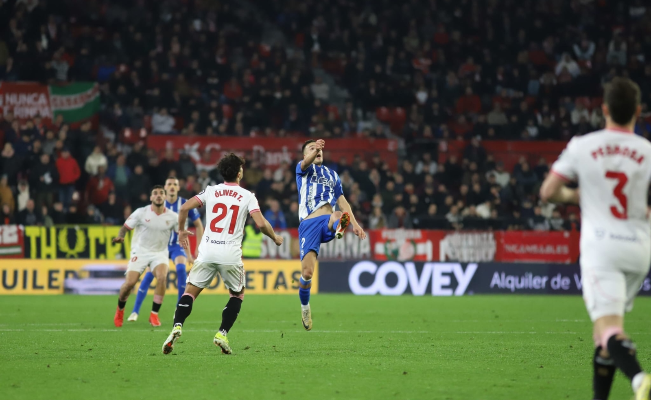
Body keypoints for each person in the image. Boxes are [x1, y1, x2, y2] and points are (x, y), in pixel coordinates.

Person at [540, 77, 651, 400]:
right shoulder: (647, 151)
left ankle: (640, 379)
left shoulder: (583, 146)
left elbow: (548, 191)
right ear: (638, 111)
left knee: (610, 330)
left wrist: (578, 196)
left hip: (602, 249)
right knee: (601, 336)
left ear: (603, 110)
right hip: (641, 250)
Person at [162, 153, 283, 355]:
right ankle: (222, 334)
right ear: (239, 173)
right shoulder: (247, 196)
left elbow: (183, 207)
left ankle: (177, 326)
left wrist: (181, 230)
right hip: (230, 254)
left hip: (207, 250)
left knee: (190, 292)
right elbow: (261, 224)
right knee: (237, 294)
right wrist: (275, 238)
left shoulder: (211, 191)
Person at [295, 139, 366, 331]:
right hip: (309, 224)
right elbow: (305, 162)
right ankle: (305, 307)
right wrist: (315, 148)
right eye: (311, 149)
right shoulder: (302, 169)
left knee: (338, 213)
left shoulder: (332, 175)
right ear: (305, 155)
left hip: (327, 220)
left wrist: (356, 224)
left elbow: (342, 201)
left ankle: (339, 228)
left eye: (318, 149)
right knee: (307, 273)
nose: (317, 151)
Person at [128, 177, 204, 322]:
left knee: (181, 269)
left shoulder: (185, 204)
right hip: (159, 247)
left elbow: (199, 225)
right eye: (169, 184)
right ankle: (135, 311)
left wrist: (197, 249)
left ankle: (178, 309)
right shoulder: (158, 205)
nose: (172, 187)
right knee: (149, 275)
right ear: (164, 188)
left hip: (176, 245)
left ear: (178, 187)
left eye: (175, 184)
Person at [111, 185, 179, 328]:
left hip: (160, 253)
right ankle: (120, 310)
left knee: (162, 277)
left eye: (161, 193)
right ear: (151, 198)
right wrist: (120, 236)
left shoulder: (173, 217)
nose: (159, 195)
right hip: (140, 251)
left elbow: (181, 231)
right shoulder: (141, 212)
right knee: (129, 284)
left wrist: (184, 235)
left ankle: (154, 314)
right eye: (155, 193)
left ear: (165, 197)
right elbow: (125, 228)